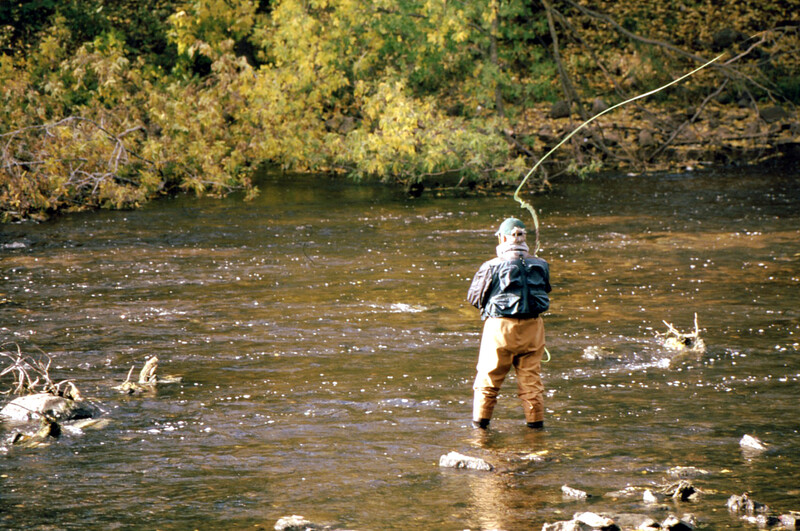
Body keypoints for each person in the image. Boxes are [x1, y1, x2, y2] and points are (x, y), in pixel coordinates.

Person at [466, 217, 551, 430]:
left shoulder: (491, 266)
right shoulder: (541, 264)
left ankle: (480, 432)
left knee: (488, 381)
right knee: (532, 383)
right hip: (534, 329)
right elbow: (546, 289)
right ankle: (535, 433)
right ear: (524, 239)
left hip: (500, 329)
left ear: (502, 238)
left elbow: (474, 298)